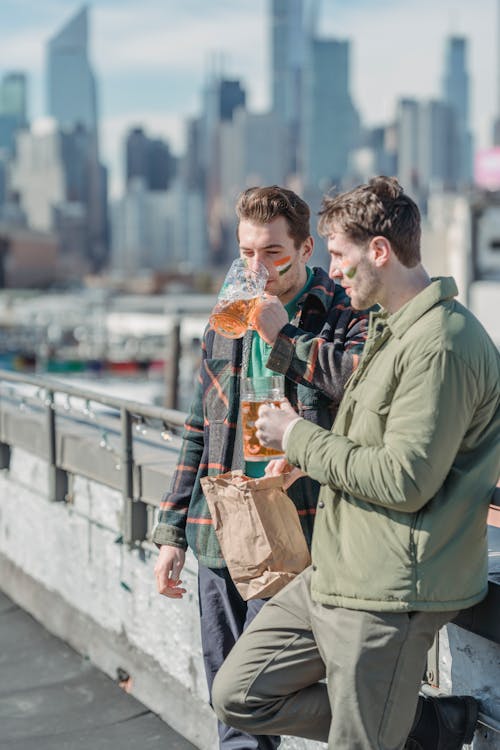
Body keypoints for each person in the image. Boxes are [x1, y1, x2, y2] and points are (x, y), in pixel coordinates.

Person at [212, 176, 500, 750]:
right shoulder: (391, 332)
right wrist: (308, 463)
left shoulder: (442, 343)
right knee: (239, 694)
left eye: (340, 255)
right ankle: (422, 725)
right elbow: (368, 438)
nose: (335, 272)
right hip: (337, 568)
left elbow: (404, 479)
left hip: (389, 589)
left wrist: (297, 438)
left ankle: (387, 723)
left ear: (379, 251)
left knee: (360, 741)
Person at [152, 185, 370, 750]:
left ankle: (414, 724)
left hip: (298, 527)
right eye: (247, 252)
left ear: (305, 248)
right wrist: (171, 531)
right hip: (220, 525)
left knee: (258, 694)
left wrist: (283, 334)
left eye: (273, 252)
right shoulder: (224, 321)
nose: (258, 267)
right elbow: (200, 426)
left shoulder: (344, 313)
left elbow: (354, 387)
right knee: (225, 694)